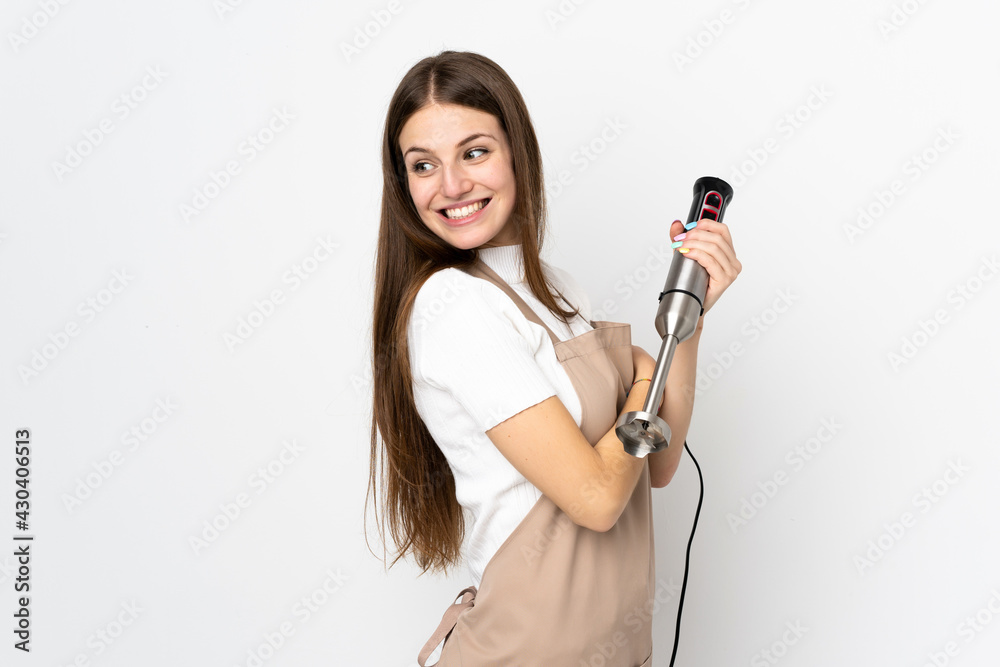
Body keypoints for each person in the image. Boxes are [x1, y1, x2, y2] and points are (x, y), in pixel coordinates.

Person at [366, 50, 741, 666]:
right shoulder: (453, 306)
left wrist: (689, 322)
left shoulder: (559, 290)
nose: (452, 185)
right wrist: (646, 371)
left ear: (518, 151)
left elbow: (661, 460)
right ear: (403, 184)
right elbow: (596, 499)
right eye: (423, 164)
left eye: (475, 151)